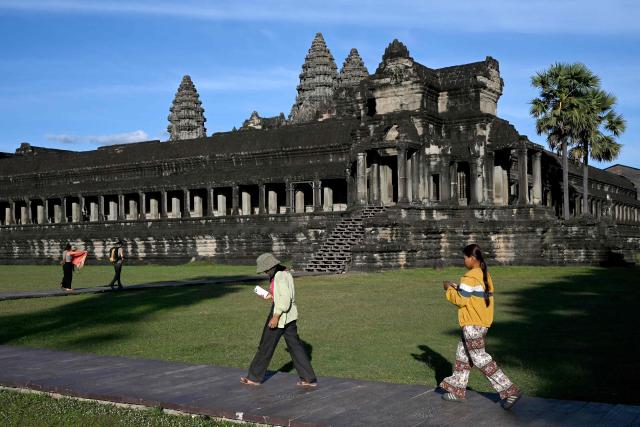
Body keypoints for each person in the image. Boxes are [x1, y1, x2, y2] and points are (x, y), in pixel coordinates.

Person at [439, 243, 522, 410]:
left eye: (464, 258)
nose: (464, 261)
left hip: (472, 324)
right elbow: (471, 295)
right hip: (481, 322)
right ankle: (457, 390)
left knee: (479, 357)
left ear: (472, 258)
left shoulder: (470, 276)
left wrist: (448, 288)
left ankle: (508, 389)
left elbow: (461, 300)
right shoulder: (484, 274)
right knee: (462, 355)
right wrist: (457, 287)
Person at [240, 253, 317, 387]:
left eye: (265, 269)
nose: (264, 271)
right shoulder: (284, 273)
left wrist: (275, 316)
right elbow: (283, 295)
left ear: (270, 267)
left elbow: (285, 300)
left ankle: (254, 377)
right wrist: (271, 296)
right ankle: (308, 378)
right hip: (290, 317)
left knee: (265, 345)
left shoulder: (279, 276)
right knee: (295, 347)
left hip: (280, 315)